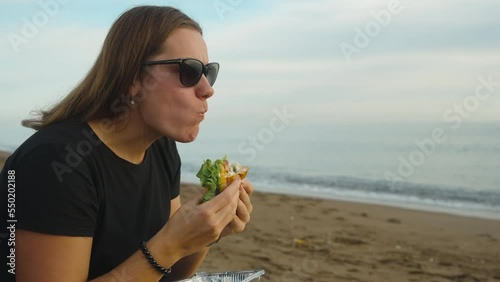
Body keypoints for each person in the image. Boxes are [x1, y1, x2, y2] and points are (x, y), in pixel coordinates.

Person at [0, 5, 254, 282]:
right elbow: (163, 255)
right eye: (190, 71)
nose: (208, 88)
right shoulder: (56, 163)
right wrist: (170, 245)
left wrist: (207, 233)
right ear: (133, 78)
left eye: (209, 72)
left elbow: (170, 273)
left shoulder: (161, 148)